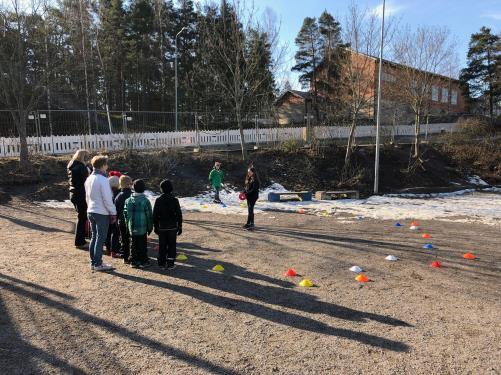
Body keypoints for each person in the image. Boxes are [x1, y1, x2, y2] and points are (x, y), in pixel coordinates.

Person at [84, 155, 117, 271]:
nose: (107, 166)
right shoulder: (102, 179)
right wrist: (113, 212)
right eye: (106, 164)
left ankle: (94, 262)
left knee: (94, 236)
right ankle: (97, 263)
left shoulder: (89, 178)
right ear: (103, 165)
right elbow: (107, 199)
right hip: (101, 212)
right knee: (100, 237)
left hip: (91, 210)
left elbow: (87, 197)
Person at [153, 179, 183, 270]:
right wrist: (180, 226)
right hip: (172, 227)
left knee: (162, 245)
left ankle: (161, 263)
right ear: (171, 189)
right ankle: (170, 263)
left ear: (161, 189)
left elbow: (154, 215)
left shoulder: (158, 200)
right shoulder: (175, 200)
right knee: (172, 245)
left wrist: (155, 226)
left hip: (162, 227)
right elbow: (179, 214)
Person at [124, 179, 153, 268]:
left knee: (133, 244)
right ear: (144, 189)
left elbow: (125, 214)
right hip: (142, 227)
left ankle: (133, 261)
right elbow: (149, 216)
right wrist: (150, 227)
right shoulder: (145, 201)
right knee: (142, 244)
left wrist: (127, 226)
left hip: (132, 227)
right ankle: (143, 261)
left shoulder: (128, 200)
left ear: (133, 188)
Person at [67, 149, 90, 249]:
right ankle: (79, 241)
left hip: (73, 193)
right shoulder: (81, 167)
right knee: (82, 218)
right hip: (81, 194)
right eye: (87, 157)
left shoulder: (71, 166)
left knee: (81, 217)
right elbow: (86, 182)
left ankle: (80, 240)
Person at [115, 175, 133, 264]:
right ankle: (133, 256)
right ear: (129, 184)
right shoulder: (132, 195)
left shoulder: (118, 196)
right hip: (132, 221)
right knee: (133, 239)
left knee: (124, 240)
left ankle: (125, 257)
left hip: (121, 221)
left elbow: (116, 210)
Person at [105, 175, 121, 257]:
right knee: (115, 233)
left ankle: (108, 248)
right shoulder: (118, 193)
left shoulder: (106, 192)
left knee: (108, 232)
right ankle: (114, 250)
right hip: (115, 216)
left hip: (107, 215)